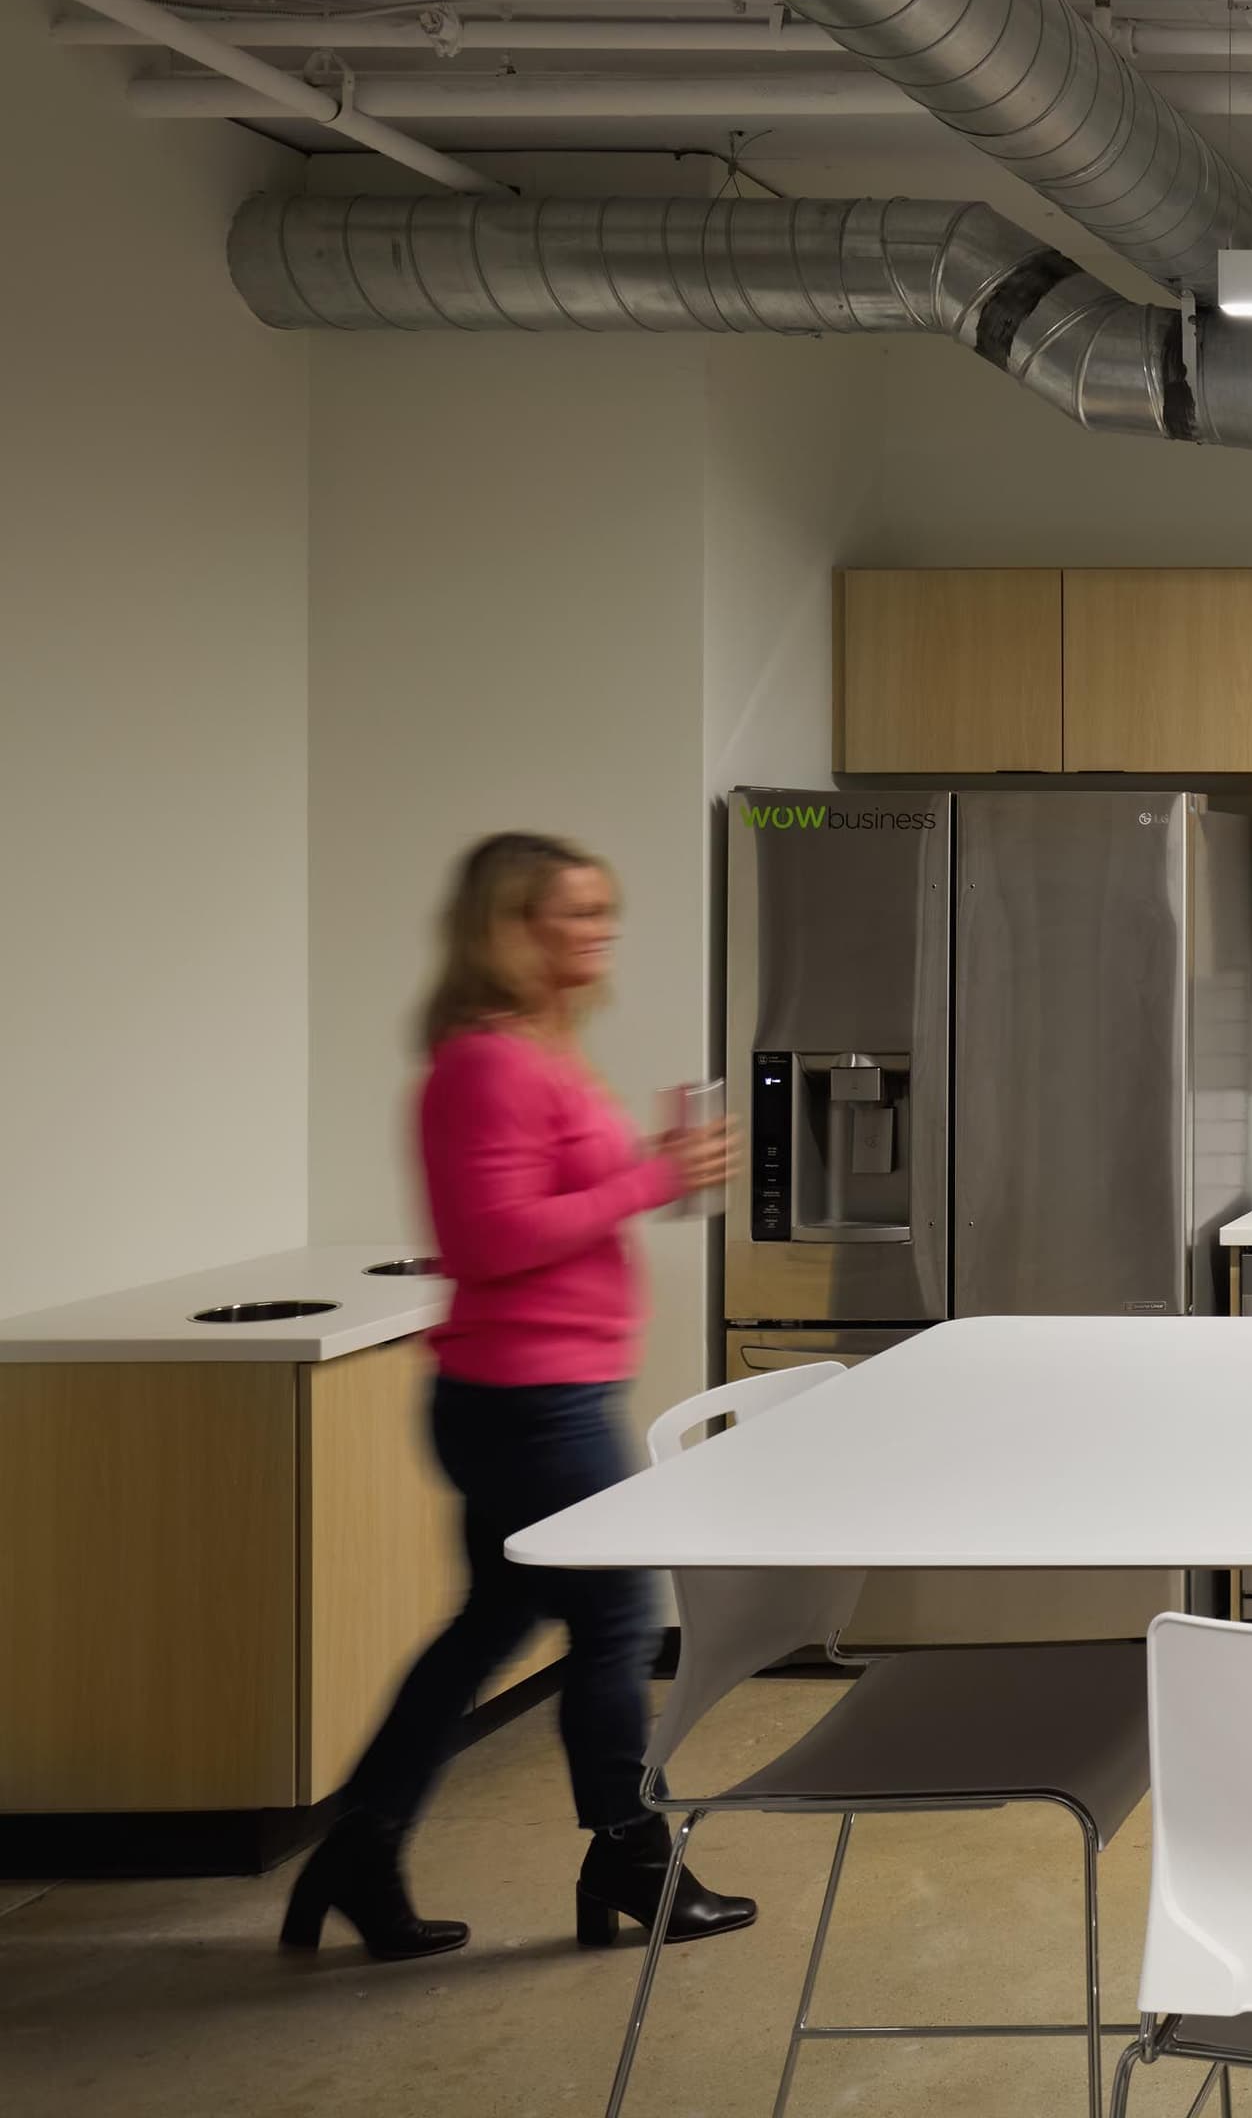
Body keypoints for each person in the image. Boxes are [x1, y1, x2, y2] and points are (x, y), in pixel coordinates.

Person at [281, 833, 751, 1962]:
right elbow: (489, 1240)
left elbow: (544, 1201)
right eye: (573, 912)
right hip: (532, 1400)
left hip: (535, 1389)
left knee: (491, 1623)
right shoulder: (487, 1062)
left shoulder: (540, 1051)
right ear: (506, 927)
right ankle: (630, 1853)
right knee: (619, 1619)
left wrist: (643, 1165)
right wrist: (655, 1175)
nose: (600, 931)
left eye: (604, 910)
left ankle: (360, 1850)